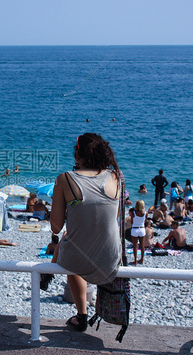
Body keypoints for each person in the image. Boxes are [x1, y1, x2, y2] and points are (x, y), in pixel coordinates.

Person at [47, 133, 123, 332]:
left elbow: (55, 227)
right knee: (72, 242)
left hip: (77, 259)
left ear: (77, 155)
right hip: (111, 259)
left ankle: (81, 315)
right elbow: (117, 215)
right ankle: (46, 278)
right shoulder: (116, 176)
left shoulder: (65, 179)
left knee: (68, 243)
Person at [130, 200, 146, 265]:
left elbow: (131, 222)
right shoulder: (145, 213)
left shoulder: (133, 213)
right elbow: (145, 221)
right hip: (142, 228)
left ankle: (135, 260)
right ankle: (141, 260)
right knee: (142, 245)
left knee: (135, 245)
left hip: (135, 229)